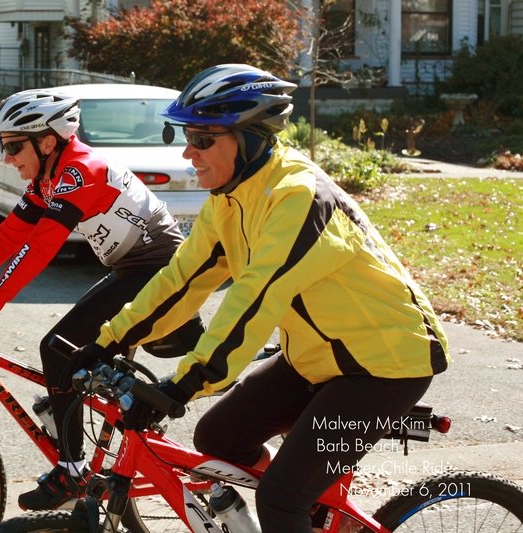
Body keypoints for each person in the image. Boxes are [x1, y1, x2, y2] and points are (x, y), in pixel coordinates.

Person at [68, 64, 451, 532]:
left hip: (386, 365)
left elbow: (255, 299)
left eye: (203, 139)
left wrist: (185, 383)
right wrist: (106, 342)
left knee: (281, 499)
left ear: (247, 138)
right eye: (185, 136)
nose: (190, 152)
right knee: (218, 438)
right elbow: (180, 282)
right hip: (316, 358)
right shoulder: (229, 200)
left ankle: (298, 506)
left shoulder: (299, 197)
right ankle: (318, 512)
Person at [0, 89, 204, 511]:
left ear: (48, 140)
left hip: (158, 271)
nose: (7, 158)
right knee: (72, 371)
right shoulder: (50, 176)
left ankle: (73, 471)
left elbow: (39, 248)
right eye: (4, 147)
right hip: (136, 270)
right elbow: (10, 235)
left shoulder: (80, 171)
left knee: (58, 349)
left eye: (14, 147)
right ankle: (110, 449)